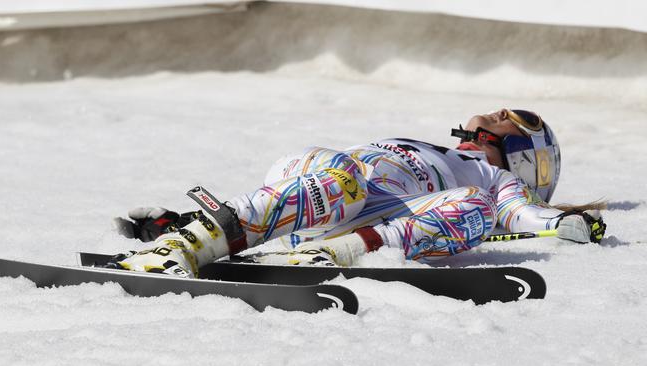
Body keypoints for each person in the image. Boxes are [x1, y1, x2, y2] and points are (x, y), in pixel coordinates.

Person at [109, 109, 606, 277]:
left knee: (472, 208)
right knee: (344, 178)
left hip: (374, 219)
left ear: (528, 154)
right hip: (328, 181)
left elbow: (521, 214)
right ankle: (179, 244)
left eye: (510, 117)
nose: (493, 113)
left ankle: (331, 255)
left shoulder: (496, 179)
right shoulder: (436, 147)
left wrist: (561, 222)